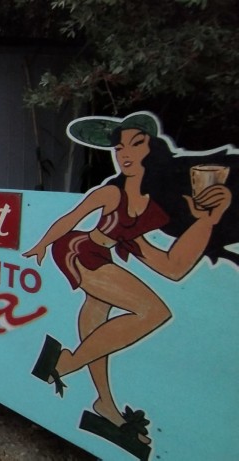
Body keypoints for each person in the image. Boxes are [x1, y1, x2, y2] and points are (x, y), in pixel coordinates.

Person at [22, 112, 236, 449]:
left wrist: (208, 221)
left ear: (153, 150)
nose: (124, 154)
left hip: (106, 255)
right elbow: (70, 218)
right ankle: (66, 363)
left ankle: (104, 403)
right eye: (120, 147)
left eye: (135, 145)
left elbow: (173, 268)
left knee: (98, 314)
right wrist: (41, 244)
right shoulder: (111, 193)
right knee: (152, 311)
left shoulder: (159, 208)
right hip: (80, 249)